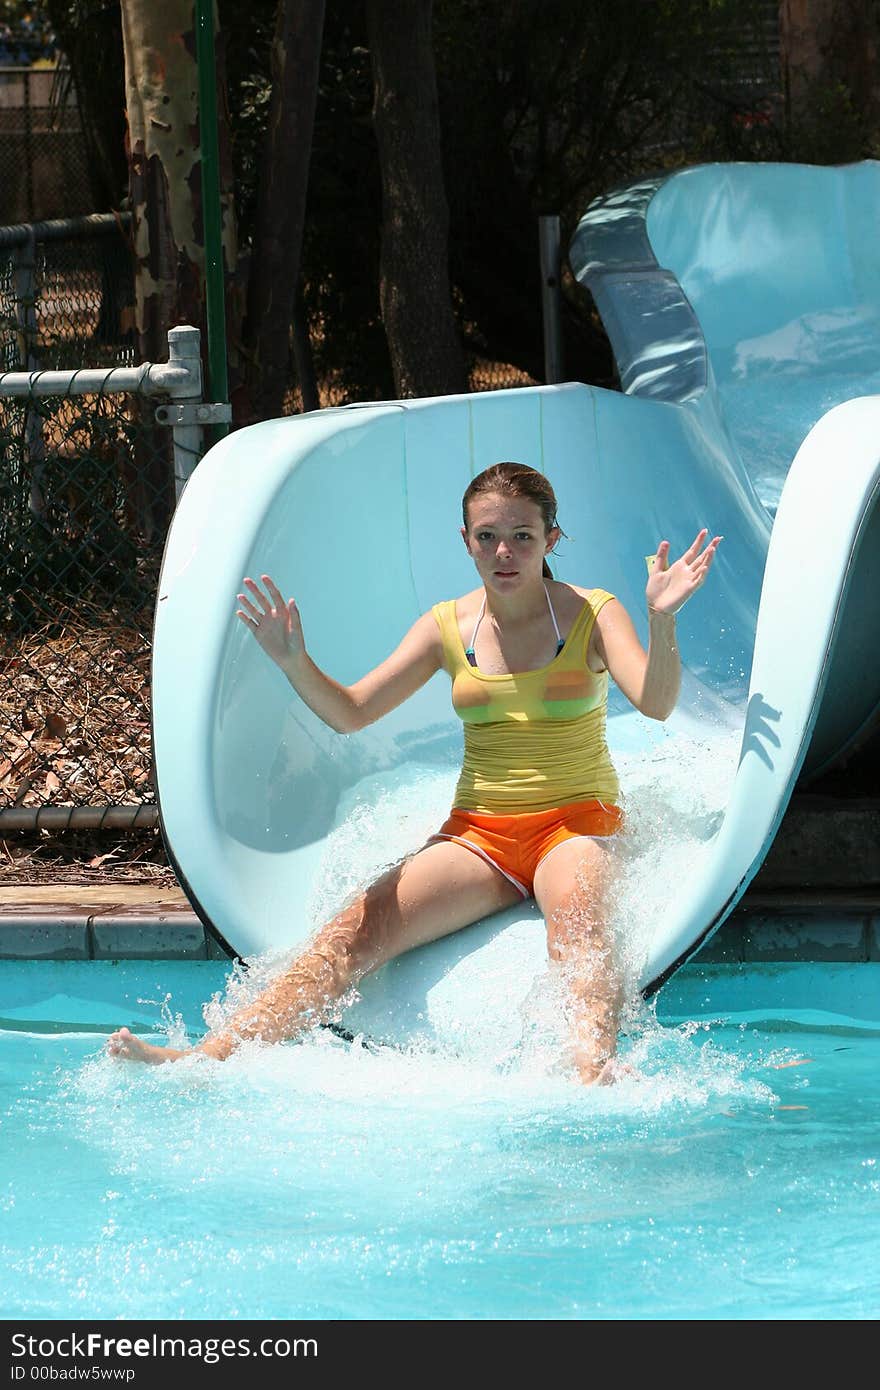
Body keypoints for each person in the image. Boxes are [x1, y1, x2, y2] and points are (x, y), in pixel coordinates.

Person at [109, 462, 721, 1083]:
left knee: (581, 941)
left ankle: (595, 1073)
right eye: (486, 536)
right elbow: (352, 712)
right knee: (354, 930)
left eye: (522, 536)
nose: (503, 552)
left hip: (575, 825)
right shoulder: (445, 627)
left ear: (551, 540)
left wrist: (662, 619)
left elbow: (657, 701)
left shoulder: (593, 612)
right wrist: (296, 663)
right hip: (480, 836)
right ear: (465, 541)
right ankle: (207, 1056)